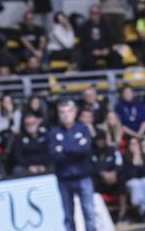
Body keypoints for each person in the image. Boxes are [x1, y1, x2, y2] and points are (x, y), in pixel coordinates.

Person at [49, 98, 97, 231]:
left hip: (83, 176)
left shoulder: (83, 129)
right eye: (62, 112)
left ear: (75, 113)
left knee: (89, 213)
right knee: (68, 216)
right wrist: (75, 147)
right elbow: (54, 154)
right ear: (58, 115)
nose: (65, 115)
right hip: (64, 178)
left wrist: (64, 148)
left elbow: (85, 150)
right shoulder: (54, 133)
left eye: (68, 111)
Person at [77, 5, 121, 71]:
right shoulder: (85, 26)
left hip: (105, 49)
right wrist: (92, 50)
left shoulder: (106, 25)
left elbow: (111, 39)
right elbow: (83, 42)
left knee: (116, 57)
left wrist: (107, 49)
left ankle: (115, 78)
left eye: (96, 13)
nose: (94, 15)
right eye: (92, 13)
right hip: (91, 51)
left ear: (100, 14)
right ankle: (92, 79)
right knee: (86, 60)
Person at [123, 136, 145, 222]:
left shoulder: (144, 156)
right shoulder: (125, 157)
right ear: (128, 146)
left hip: (142, 182)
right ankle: (138, 210)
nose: (134, 146)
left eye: (136, 144)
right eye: (132, 144)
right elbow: (130, 176)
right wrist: (134, 161)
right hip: (129, 183)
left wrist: (140, 162)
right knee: (136, 183)